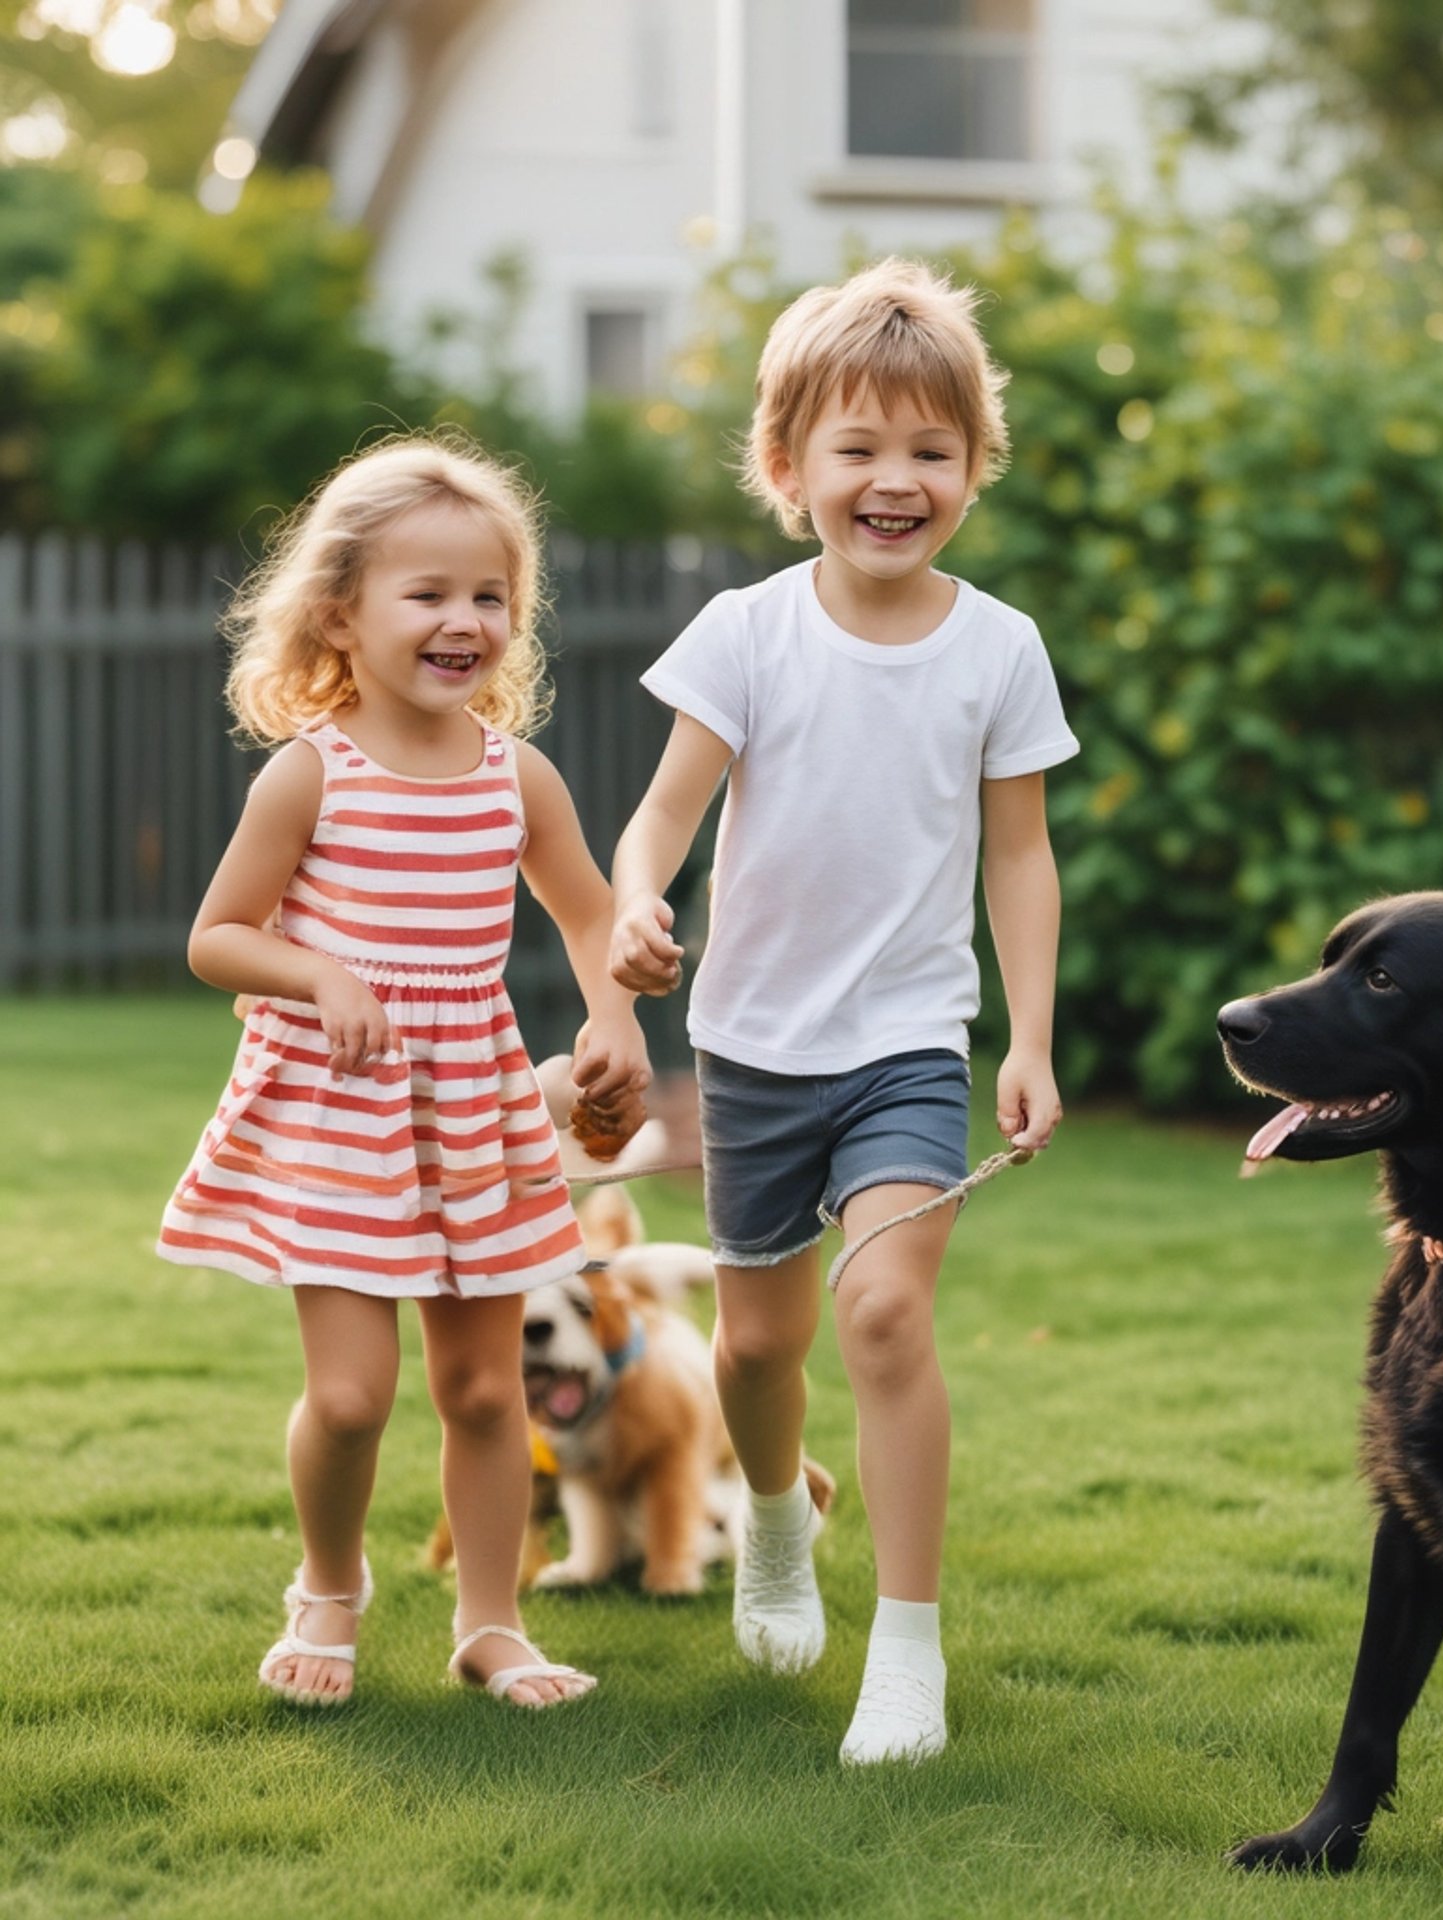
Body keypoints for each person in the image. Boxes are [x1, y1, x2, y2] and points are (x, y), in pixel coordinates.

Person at [608, 259, 1077, 1764]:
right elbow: (661, 816)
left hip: (909, 1043)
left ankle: (909, 1655)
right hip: (750, 1044)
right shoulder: (748, 633)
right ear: (787, 463)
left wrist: (1033, 1039)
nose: (895, 480)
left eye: (931, 452)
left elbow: (1020, 851)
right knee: (757, 1350)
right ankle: (770, 1518)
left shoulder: (997, 646)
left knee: (880, 1313)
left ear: (973, 470)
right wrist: (635, 905)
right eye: (859, 449)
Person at [158, 437, 648, 1709]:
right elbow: (218, 937)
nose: (463, 622)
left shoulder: (514, 778)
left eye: (489, 597)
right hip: (343, 1114)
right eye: (426, 595)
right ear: (341, 611)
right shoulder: (312, 773)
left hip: (473, 1114)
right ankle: (328, 1586)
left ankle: (492, 1625)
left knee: (486, 1389)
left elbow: (590, 915)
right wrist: (321, 977)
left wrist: (613, 1023)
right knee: (353, 1393)